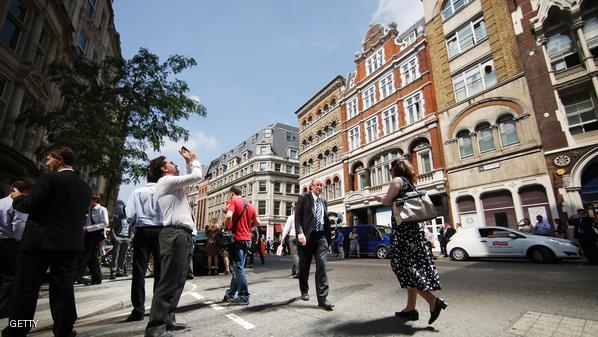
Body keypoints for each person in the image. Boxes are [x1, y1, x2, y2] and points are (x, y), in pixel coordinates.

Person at [2, 146, 91, 337]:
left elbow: (32, 204)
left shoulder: (49, 178)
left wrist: (18, 199)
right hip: (68, 244)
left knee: (26, 289)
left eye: (48, 159)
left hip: (40, 242)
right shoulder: (84, 187)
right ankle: (64, 329)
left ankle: (18, 329)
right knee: (63, 289)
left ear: (59, 160)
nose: (46, 162)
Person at [375, 158, 446, 325]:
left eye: (390, 169)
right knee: (411, 267)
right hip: (414, 233)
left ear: (395, 170)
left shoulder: (397, 181)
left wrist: (379, 198)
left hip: (404, 234)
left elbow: (387, 201)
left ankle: (433, 301)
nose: (389, 172)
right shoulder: (410, 183)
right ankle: (410, 309)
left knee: (405, 268)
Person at [144, 147, 203, 337]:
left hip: (182, 234)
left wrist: (186, 163)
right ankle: (155, 328)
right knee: (169, 281)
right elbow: (196, 177)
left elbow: (187, 180)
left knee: (178, 280)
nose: (174, 163)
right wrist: (194, 160)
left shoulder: (171, 183)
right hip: (175, 234)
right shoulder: (165, 181)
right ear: (164, 169)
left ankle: (168, 318)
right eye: (171, 162)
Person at [125, 172, 164, 322]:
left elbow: (129, 215)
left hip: (142, 230)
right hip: (160, 230)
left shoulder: (137, 192)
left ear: (147, 178)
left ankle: (138, 310)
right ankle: (157, 308)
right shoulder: (163, 192)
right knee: (160, 271)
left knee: (139, 271)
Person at [295, 179, 334, 311]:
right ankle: (304, 289)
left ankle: (322, 300)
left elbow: (324, 219)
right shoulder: (303, 198)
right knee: (304, 267)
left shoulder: (323, 201)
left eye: (321, 185)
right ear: (311, 187)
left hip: (321, 237)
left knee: (322, 267)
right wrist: (300, 233)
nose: (320, 187)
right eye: (317, 185)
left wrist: (328, 239)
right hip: (306, 238)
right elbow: (298, 217)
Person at [223, 186, 260, 305]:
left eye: (229, 194)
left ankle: (243, 296)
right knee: (238, 267)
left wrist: (226, 226)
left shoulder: (233, 201)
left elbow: (228, 216)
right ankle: (231, 294)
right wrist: (248, 226)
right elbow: (257, 222)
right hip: (247, 239)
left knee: (238, 268)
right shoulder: (250, 204)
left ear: (232, 193)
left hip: (237, 239)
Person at [0, 181, 31, 318]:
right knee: (10, 276)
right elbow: (19, 226)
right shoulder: (19, 205)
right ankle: (3, 308)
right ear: (24, 192)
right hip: (10, 242)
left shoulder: (1, 202)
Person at [76, 194, 109, 285]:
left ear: (94, 200)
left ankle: (74, 276)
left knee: (84, 255)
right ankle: (97, 278)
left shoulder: (102, 209)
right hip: (89, 234)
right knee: (92, 257)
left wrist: (89, 228)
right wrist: (85, 228)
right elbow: (89, 222)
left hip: (95, 235)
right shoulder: (90, 210)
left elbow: (105, 223)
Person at [109, 200, 132, 279]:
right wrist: (115, 238)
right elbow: (112, 229)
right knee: (115, 255)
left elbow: (131, 229)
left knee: (123, 256)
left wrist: (130, 238)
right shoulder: (117, 217)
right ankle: (113, 271)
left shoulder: (129, 219)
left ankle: (119, 270)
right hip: (118, 237)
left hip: (126, 238)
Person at [281, 203, 299, 277]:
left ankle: (299, 272)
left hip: (292, 236)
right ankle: (294, 270)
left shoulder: (291, 217)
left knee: (295, 255)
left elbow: (286, 228)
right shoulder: (302, 217)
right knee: (298, 255)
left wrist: (283, 238)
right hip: (300, 237)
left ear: (293, 209)